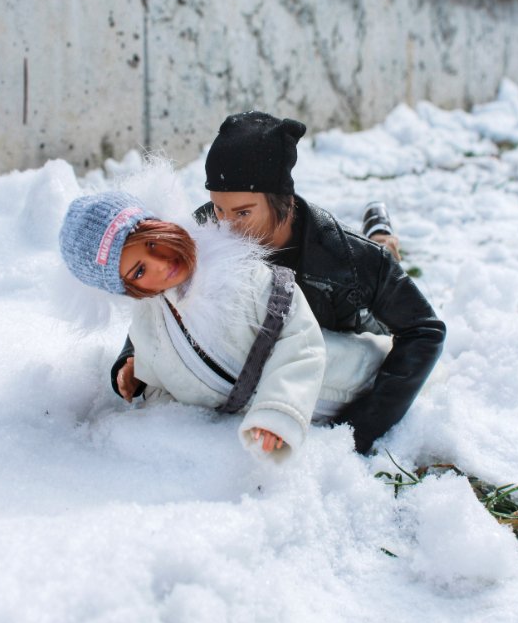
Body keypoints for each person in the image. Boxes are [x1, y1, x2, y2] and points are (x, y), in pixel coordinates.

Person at [112, 112, 446, 455]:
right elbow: (163, 293)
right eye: (218, 209)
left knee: (383, 254)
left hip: (355, 333)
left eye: (242, 213)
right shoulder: (206, 228)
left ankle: (381, 235)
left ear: (282, 200)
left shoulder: (348, 259)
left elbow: (425, 331)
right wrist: (131, 356)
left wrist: (362, 427)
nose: (225, 227)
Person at [59, 189, 390, 458]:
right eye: (139, 271)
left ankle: (381, 240)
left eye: (153, 242)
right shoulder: (150, 328)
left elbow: (299, 340)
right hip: (308, 418)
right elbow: (171, 383)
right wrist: (141, 381)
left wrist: (277, 414)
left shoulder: (237, 273)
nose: (161, 263)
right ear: (127, 289)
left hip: (358, 373)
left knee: (377, 304)